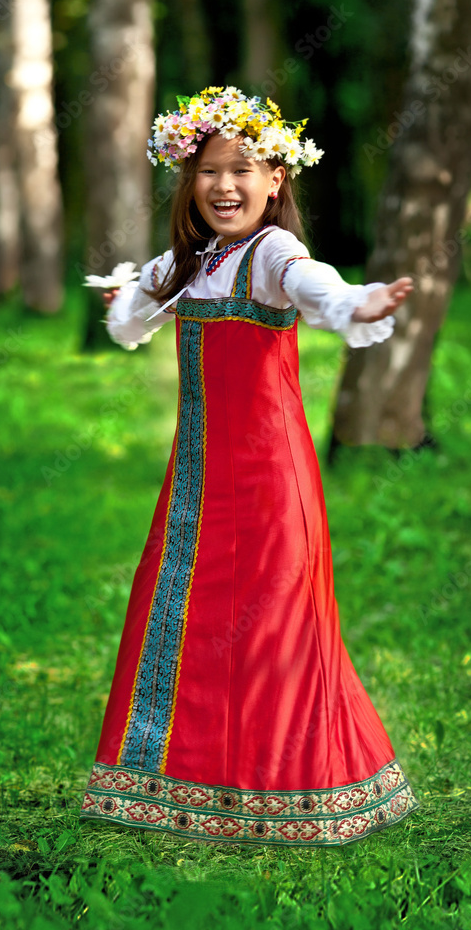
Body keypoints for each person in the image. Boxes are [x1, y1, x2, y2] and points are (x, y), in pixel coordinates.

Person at [80, 86, 419, 847]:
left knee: (270, 625)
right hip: (197, 482)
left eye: (243, 169)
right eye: (207, 170)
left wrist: (358, 303)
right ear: (186, 181)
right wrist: (125, 291)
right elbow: (132, 320)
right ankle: (186, 778)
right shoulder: (187, 260)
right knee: (184, 617)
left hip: (267, 481)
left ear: (276, 182)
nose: (224, 185)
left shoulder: (272, 252)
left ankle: (283, 786)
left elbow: (316, 288)